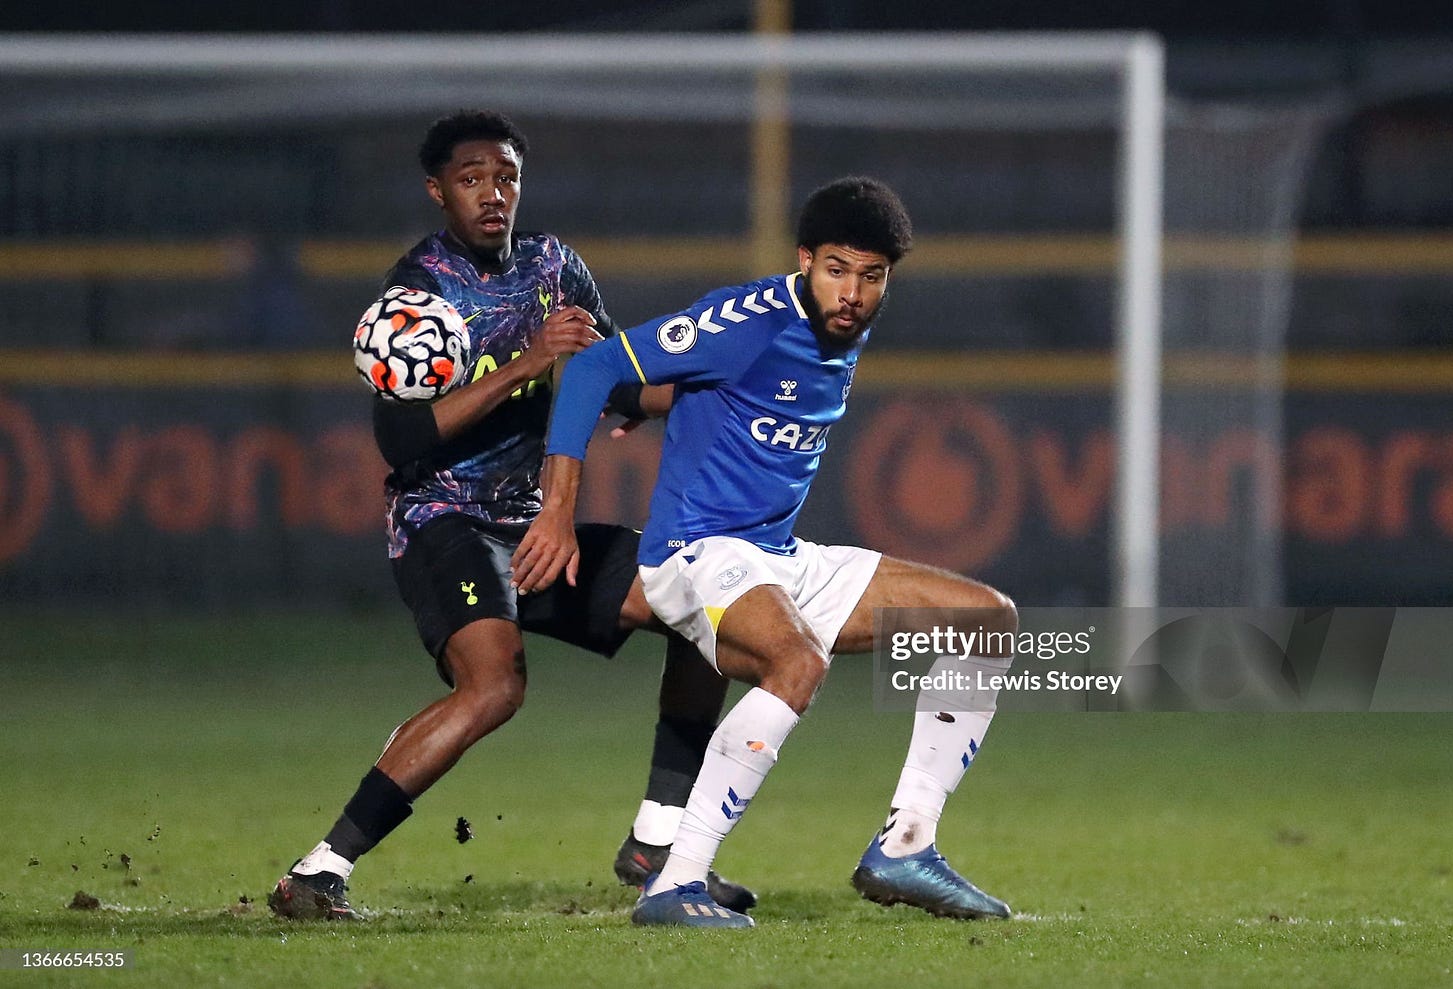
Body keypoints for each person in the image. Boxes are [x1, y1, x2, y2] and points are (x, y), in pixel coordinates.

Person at [267, 109, 753, 920]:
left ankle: (657, 841)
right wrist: (531, 361)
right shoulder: (417, 291)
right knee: (494, 686)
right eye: (471, 179)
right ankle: (318, 871)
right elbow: (402, 437)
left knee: (706, 609)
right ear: (437, 190)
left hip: (530, 527)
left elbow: (617, 373)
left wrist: (707, 389)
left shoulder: (556, 265)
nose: (493, 194)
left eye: (506, 177)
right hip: (441, 520)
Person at [514, 176, 1019, 928]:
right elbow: (592, 366)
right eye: (837, 270)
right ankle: (674, 882)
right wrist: (558, 512)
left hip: (775, 557)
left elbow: (711, 396)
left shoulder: (845, 328)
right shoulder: (749, 317)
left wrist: (651, 404)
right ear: (805, 259)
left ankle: (907, 843)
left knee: (986, 620)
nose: (851, 293)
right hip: (695, 553)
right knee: (798, 660)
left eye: (871, 276)